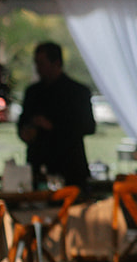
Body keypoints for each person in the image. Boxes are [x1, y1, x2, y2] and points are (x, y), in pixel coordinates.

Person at [17, 41, 96, 189]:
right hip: (38, 166)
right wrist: (26, 132)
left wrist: (52, 126)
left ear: (56, 63)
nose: (38, 68)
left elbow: (88, 126)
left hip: (69, 166)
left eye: (42, 63)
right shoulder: (33, 93)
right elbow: (22, 122)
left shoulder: (77, 92)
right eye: (36, 63)